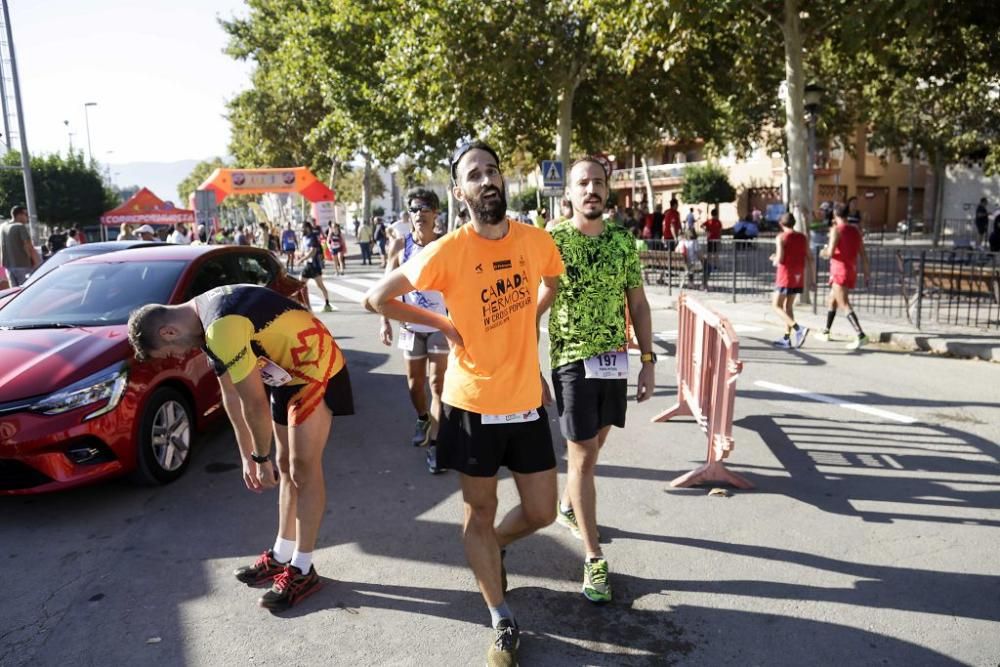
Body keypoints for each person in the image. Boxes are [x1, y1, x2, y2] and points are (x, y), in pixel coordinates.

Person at [363, 141, 564, 666]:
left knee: (542, 511)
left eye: (493, 170)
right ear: (460, 192)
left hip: (524, 401)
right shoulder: (447, 250)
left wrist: (531, 322)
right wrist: (445, 325)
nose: (487, 180)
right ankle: (500, 616)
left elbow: (554, 282)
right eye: (474, 175)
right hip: (471, 403)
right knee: (479, 509)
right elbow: (377, 297)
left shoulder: (534, 240)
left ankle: (492, 548)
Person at [127, 284, 353, 612]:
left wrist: (259, 458)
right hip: (286, 373)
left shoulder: (219, 325)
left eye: (169, 350)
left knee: (304, 468)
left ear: (168, 330)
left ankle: (303, 569)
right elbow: (230, 396)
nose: (178, 356)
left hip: (316, 367)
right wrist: (248, 456)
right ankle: (281, 555)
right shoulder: (203, 321)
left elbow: (254, 402)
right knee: (285, 464)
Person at [545, 157, 655, 604]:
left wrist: (647, 359)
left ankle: (569, 504)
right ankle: (593, 558)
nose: (591, 189)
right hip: (571, 359)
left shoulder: (623, 242)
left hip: (614, 360)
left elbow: (639, 304)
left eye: (598, 183)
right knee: (584, 456)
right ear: (568, 193)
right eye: (582, 183)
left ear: (608, 191)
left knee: (594, 448)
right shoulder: (552, 240)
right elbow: (536, 297)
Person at [379, 187, 449, 473]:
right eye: (414, 209)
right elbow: (384, 288)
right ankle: (422, 416)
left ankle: (435, 446)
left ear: (435, 214)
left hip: (439, 325)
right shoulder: (399, 246)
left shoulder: (446, 245)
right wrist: (383, 320)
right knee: (413, 384)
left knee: (437, 386)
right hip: (410, 325)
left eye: (424, 209)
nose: (419, 214)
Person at [818, 202, 871, 349]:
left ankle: (861, 335)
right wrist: (867, 273)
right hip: (851, 269)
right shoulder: (855, 231)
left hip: (839, 271)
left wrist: (822, 251)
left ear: (835, 214)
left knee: (844, 304)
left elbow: (829, 253)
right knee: (832, 300)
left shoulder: (836, 230)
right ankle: (826, 331)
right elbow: (864, 255)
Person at [769, 212, 812, 349]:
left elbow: (780, 258)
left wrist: (773, 259)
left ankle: (799, 329)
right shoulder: (802, 237)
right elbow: (809, 256)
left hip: (785, 275)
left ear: (781, 224)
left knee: (776, 306)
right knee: (788, 307)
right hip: (798, 275)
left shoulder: (781, 237)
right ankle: (787, 338)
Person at [297, 221, 334, 312]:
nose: (302, 230)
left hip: (313, 265)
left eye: (303, 228)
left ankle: (324, 304)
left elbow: (313, 251)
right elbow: (304, 250)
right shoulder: (305, 237)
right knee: (302, 285)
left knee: (315, 285)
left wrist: (302, 259)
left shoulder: (313, 237)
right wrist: (300, 255)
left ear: (308, 228)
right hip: (309, 265)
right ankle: (308, 305)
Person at [0, 206, 41, 286]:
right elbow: (29, 246)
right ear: (19, 215)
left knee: (15, 292)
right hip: (23, 265)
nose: (27, 217)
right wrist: (37, 264)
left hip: (8, 267)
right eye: (26, 214)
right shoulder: (20, 227)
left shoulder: (2, 227)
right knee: (27, 289)